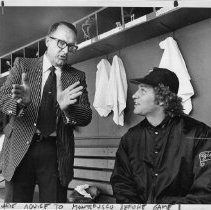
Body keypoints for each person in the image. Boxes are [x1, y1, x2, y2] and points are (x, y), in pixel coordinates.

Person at [0, 21, 92, 202]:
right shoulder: (23, 65)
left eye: (71, 47)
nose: (66, 51)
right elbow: (2, 98)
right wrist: (21, 103)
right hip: (20, 148)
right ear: (47, 41)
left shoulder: (77, 76)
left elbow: (87, 115)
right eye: (62, 43)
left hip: (55, 152)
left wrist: (69, 108)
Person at [110, 67, 211, 204]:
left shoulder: (199, 134)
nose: (134, 95)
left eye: (143, 90)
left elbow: (205, 192)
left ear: (163, 99)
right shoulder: (130, 138)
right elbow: (122, 184)